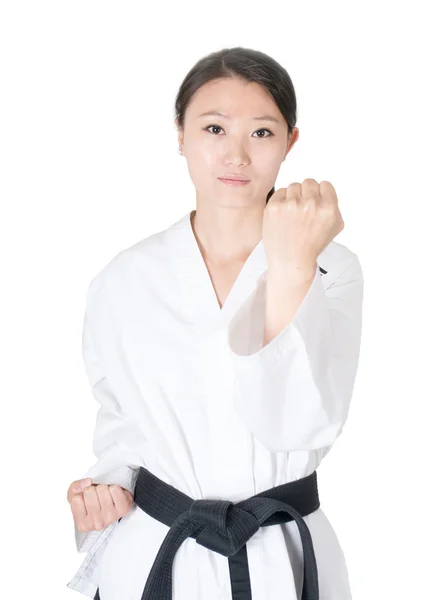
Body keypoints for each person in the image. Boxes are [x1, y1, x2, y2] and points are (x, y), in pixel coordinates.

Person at [66, 46, 363, 600]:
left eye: (261, 133)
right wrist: (104, 489)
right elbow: (122, 429)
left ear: (290, 142)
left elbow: (298, 422)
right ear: (179, 135)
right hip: (157, 549)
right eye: (214, 128)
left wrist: (294, 264)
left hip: (285, 557)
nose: (236, 156)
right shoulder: (124, 279)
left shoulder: (331, 266)